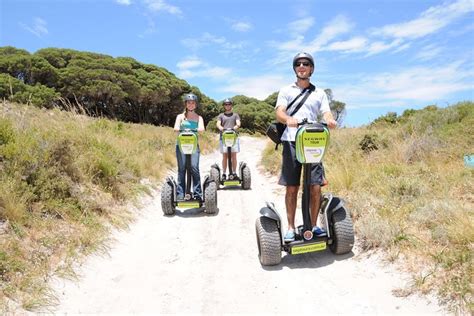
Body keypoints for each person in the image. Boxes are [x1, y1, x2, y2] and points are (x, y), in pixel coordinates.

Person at [275, 52, 337, 242]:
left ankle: (314, 225)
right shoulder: (286, 90)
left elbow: (325, 112)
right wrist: (288, 119)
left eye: (306, 64)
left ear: (311, 68)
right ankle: (291, 227)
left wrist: (330, 120)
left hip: (312, 141)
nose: (302, 66)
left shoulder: (319, 93)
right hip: (292, 140)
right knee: (292, 187)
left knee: (315, 187)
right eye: (299, 64)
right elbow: (279, 112)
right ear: (295, 68)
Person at [173, 93, 205, 200]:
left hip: (194, 144)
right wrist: (179, 128)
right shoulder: (180, 117)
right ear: (186, 104)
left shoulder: (199, 117)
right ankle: (180, 194)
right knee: (181, 169)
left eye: (193, 103)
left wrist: (198, 129)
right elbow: (176, 128)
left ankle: (197, 194)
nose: (191, 104)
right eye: (189, 102)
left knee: (194, 168)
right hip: (181, 144)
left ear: (195, 105)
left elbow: (201, 129)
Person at [216, 98, 241, 180]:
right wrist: (221, 128)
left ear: (231, 105)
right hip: (224, 137)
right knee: (225, 156)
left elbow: (238, 123)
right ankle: (224, 174)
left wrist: (234, 127)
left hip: (233, 137)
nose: (227, 105)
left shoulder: (235, 115)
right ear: (224, 106)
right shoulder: (221, 115)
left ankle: (234, 173)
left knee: (234, 155)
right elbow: (218, 124)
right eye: (226, 104)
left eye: (229, 104)